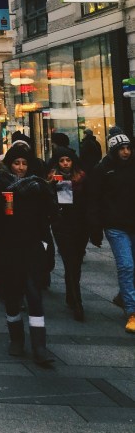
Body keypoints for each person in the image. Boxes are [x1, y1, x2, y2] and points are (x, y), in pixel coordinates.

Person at [0, 144, 58, 364]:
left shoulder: (37, 186)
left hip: (32, 247)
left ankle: (39, 346)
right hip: (7, 248)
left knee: (34, 295)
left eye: (24, 163)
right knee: (12, 295)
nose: (21, 167)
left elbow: (50, 214)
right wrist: (5, 203)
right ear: (10, 164)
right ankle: (16, 339)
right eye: (17, 163)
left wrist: (51, 193)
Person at [87, 132, 135, 333]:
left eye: (128, 148)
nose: (126, 152)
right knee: (126, 265)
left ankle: (123, 296)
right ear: (114, 151)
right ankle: (132, 311)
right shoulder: (103, 169)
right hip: (115, 226)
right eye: (121, 149)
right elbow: (94, 199)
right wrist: (95, 229)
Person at [47, 147, 89, 321]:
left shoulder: (82, 178)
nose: (65, 164)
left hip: (81, 225)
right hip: (62, 226)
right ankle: (78, 302)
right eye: (62, 160)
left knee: (76, 262)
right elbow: (52, 203)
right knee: (70, 261)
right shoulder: (52, 178)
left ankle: (70, 294)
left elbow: (89, 201)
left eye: (68, 160)